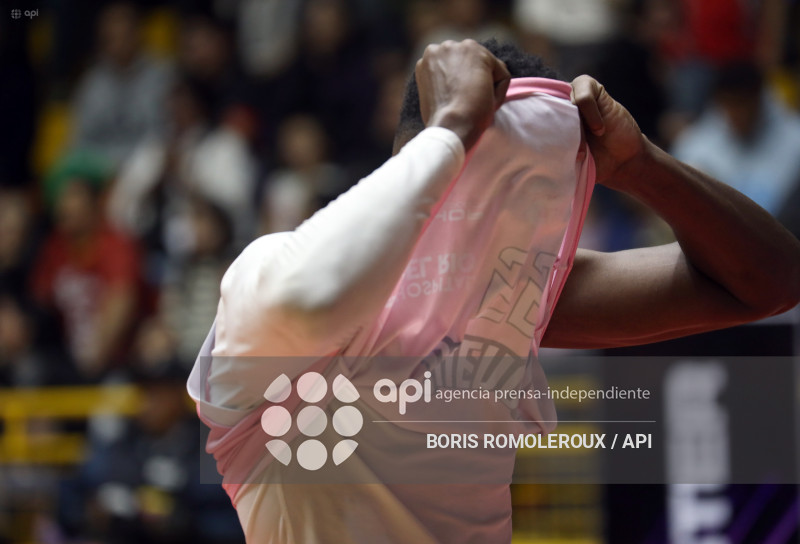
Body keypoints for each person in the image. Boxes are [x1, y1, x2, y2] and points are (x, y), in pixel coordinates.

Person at [188, 40, 800, 543]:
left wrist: (639, 165)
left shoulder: (514, 301)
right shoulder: (262, 273)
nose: (518, 223)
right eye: (496, 187)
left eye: (540, 198)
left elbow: (769, 282)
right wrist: (454, 126)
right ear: (421, 158)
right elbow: (314, 295)